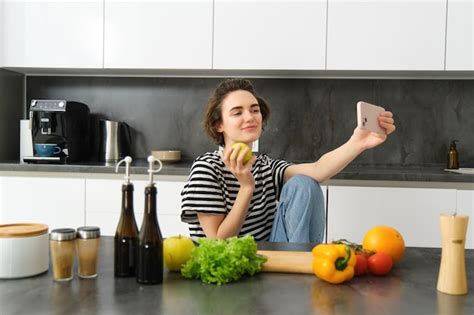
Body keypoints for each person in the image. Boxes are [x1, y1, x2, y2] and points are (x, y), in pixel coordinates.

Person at [180, 79, 396, 243]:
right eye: (237, 112)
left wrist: (358, 142)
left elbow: (318, 170)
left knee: (304, 183)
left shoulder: (265, 166)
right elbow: (218, 242)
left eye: (254, 110)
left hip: (269, 259)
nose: (250, 117)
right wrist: (246, 187)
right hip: (225, 267)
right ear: (219, 125)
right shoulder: (207, 169)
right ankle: (298, 279)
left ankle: (301, 263)